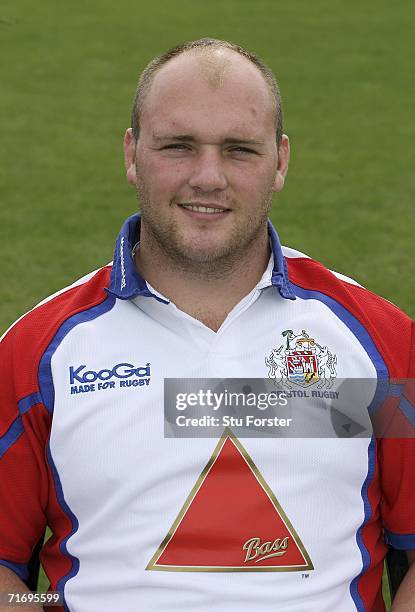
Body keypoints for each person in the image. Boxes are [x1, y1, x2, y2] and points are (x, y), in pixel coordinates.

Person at [0, 38, 414, 612]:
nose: (208, 177)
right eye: (178, 146)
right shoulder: (35, 353)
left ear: (280, 162)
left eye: (240, 150)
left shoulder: (382, 343)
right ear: (132, 153)